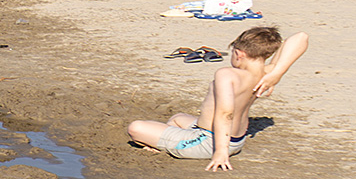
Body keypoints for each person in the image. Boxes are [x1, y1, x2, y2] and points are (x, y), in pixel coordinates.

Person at [126, 25, 308, 170]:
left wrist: (220, 152)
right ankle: (168, 140)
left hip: (209, 141)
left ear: (239, 54)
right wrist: (278, 73)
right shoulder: (265, 74)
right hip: (234, 138)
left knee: (136, 128)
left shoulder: (227, 74)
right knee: (177, 118)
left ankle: (172, 145)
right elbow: (301, 37)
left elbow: (225, 114)